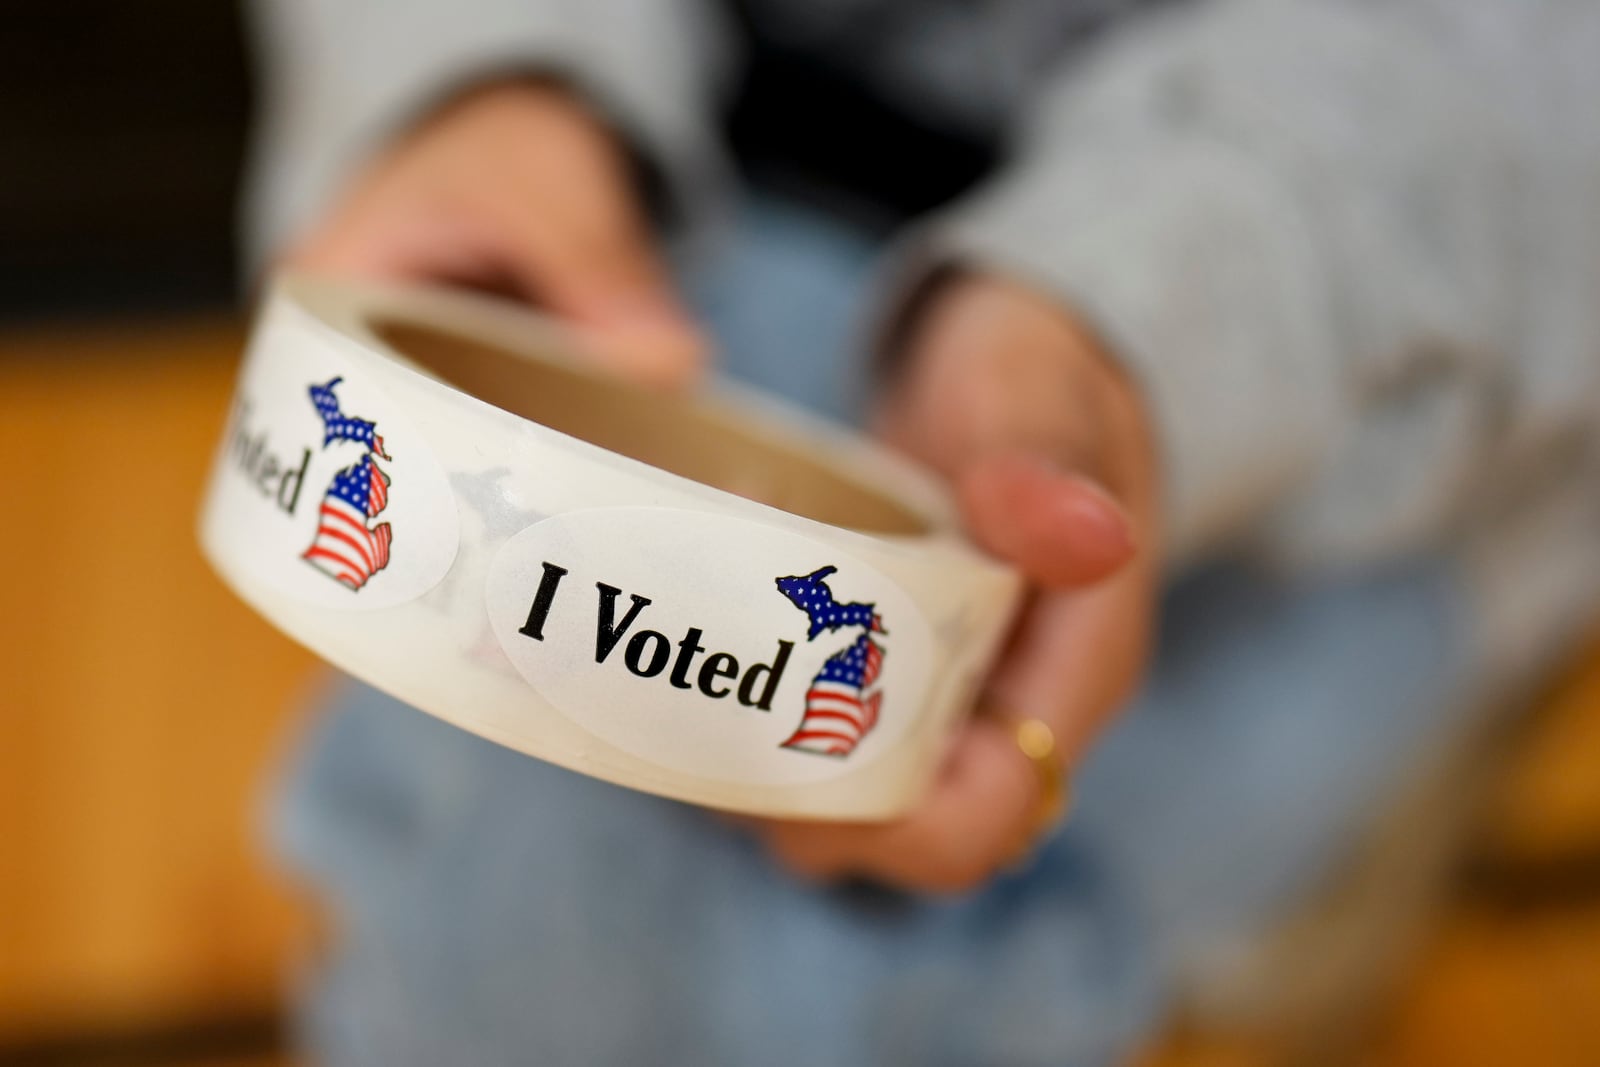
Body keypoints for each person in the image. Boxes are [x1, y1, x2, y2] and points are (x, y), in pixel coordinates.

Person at [247, 1, 1600, 1063]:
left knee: (628, 935)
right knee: (618, 930)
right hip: (726, 174)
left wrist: (1140, 328)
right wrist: (484, 81)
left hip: (1405, 302)